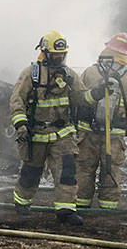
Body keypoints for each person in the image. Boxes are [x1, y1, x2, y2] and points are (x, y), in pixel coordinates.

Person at [8, 31, 87, 226]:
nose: (59, 57)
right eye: (55, 54)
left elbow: (81, 98)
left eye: (62, 54)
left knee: (66, 172)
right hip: (36, 134)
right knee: (31, 172)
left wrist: (97, 93)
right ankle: (22, 203)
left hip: (63, 134)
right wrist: (21, 124)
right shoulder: (30, 74)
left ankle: (66, 211)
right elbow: (16, 100)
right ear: (45, 52)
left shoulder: (69, 75)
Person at [76, 33, 127, 210]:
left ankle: (81, 205)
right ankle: (108, 209)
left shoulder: (90, 72)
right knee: (111, 170)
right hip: (114, 136)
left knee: (84, 169)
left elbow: (79, 98)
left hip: (88, 133)